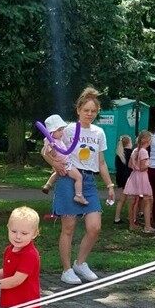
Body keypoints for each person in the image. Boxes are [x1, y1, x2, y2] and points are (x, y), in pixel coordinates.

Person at [52, 88, 116, 285]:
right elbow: (48, 147)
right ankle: (66, 270)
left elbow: (102, 162)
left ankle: (80, 263)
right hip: (69, 179)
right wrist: (55, 165)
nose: (90, 114)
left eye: (93, 111)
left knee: (94, 227)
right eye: (86, 110)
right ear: (78, 110)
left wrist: (109, 184)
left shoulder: (99, 132)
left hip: (88, 181)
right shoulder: (69, 130)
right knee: (68, 228)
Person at [39, 113, 87, 205]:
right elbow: (51, 154)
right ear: (51, 132)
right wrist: (53, 147)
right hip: (65, 164)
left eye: (62, 129)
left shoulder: (58, 139)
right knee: (79, 177)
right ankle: (79, 195)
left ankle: (48, 185)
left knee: (56, 173)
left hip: (64, 162)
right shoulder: (50, 142)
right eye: (59, 130)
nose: (62, 132)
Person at [124, 130, 155, 233]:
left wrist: (135, 166)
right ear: (147, 140)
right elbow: (142, 167)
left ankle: (131, 224)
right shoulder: (144, 151)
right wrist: (150, 163)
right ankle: (147, 226)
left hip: (134, 176)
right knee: (147, 200)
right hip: (142, 177)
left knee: (132, 201)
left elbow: (129, 165)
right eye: (150, 140)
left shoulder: (135, 150)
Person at [112, 134, 133, 224]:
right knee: (132, 200)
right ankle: (132, 218)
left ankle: (117, 218)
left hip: (121, 178)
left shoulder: (119, 154)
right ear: (129, 143)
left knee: (122, 199)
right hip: (130, 178)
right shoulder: (131, 153)